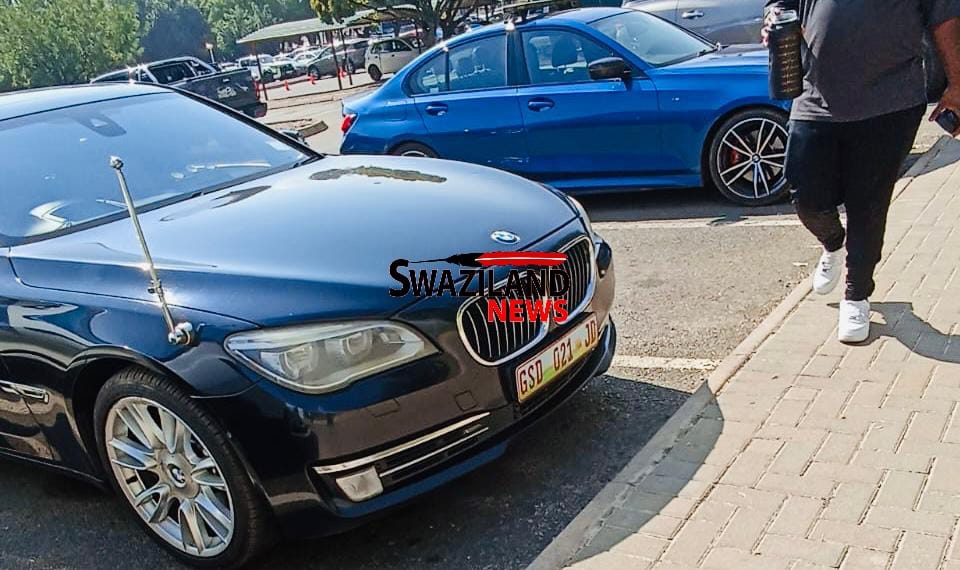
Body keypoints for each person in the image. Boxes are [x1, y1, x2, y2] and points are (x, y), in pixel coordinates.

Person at [762, 0, 960, 343]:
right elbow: (781, 3)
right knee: (805, 194)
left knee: (868, 203)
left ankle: (856, 294)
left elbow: (945, 19)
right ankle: (833, 242)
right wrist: (774, 18)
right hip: (815, 96)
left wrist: (957, 85)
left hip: (890, 100)